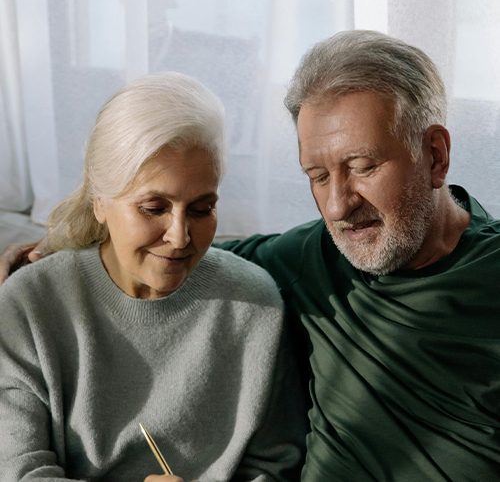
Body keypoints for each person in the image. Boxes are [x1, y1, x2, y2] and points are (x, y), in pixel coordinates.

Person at [2, 30, 500, 480]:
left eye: (363, 166)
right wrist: (57, 248)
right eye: (318, 176)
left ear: (434, 155)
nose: (337, 206)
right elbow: (187, 255)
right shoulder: (313, 256)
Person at [0, 71, 307, 481]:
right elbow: (18, 470)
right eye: (153, 208)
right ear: (100, 204)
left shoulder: (256, 303)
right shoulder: (29, 303)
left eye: (201, 209)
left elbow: (276, 466)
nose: (180, 237)